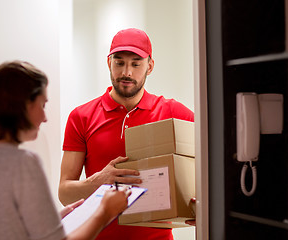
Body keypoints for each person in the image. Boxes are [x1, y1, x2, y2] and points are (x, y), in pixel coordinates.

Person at [0, 60, 131, 240]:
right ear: (22, 105)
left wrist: (53, 223)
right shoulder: (23, 162)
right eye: (42, 105)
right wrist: (104, 213)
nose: (45, 118)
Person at [59, 28, 194, 240]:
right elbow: (65, 193)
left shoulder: (172, 112)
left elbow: (211, 163)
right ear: (108, 63)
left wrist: (202, 205)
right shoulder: (81, 117)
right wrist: (97, 182)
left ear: (149, 66)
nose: (126, 73)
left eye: (136, 64)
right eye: (119, 62)